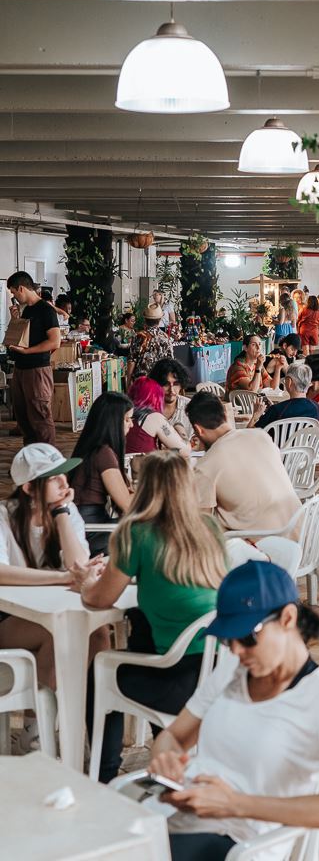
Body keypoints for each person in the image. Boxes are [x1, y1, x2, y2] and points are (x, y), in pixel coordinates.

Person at [145, 560, 319, 861]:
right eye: (227, 638)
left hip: (239, 841)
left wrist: (234, 804)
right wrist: (165, 759)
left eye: (247, 637)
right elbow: (173, 737)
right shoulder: (231, 670)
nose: (236, 650)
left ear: (288, 618)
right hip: (176, 818)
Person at [81, 450, 228, 784]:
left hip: (176, 677)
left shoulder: (137, 532)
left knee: (99, 670)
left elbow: (99, 599)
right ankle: (169, 757)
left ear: (144, 487)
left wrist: (87, 581)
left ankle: (102, 775)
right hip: (217, 670)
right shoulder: (209, 528)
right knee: (142, 629)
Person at [0, 444, 105, 749]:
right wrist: (61, 578)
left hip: (49, 612)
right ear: (29, 487)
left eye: (64, 474)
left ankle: (89, 727)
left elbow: (80, 566)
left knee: (98, 634)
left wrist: (60, 512)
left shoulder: (67, 512)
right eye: (54, 477)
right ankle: (35, 729)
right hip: (8, 620)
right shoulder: (5, 516)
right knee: (55, 631)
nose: (64, 482)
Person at [187, 392, 301, 538]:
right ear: (225, 416)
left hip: (262, 549)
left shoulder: (206, 467)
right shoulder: (262, 436)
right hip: (300, 536)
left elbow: (203, 527)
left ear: (198, 430)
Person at [70, 391, 134, 556]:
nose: (131, 425)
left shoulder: (91, 448)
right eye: (127, 419)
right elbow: (127, 504)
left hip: (88, 526)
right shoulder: (103, 453)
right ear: (112, 422)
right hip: (92, 531)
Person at [6, 271, 61, 445]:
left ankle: (48, 463)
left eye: (13, 292)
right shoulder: (27, 311)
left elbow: (55, 342)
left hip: (37, 369)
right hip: (21, 369)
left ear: (21, 288)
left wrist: (28, 351)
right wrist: (14, 320)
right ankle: (31, 459)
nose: (13, 296)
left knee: (40, 417)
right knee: (23, 418)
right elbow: (19, 339)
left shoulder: (46, 310)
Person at [125, 377, 192, 458]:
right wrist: (179, 427)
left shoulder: (123, 416)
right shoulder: (154, 417)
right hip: (144, 468)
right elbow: (185, 451)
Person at [250, 362, 319, 431]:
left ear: (289, 382)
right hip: (306, 442)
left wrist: (255, 415)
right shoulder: (315, 407)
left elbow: (249, 435)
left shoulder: (277, 410)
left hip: (277, 442)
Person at [127, 304, 173, 386]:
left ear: (145, 319)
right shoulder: (166, 338)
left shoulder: (138, 336)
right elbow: (170, 362)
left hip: (141, 382)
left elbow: (132, 360)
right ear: (160, 319)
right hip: (159, 381)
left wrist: (128, 382)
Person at [150, 357, 193, 440]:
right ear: (156, 385)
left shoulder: (191, 407)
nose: (171, 390)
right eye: (166, 384)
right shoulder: (147, 410)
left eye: (176, 384)